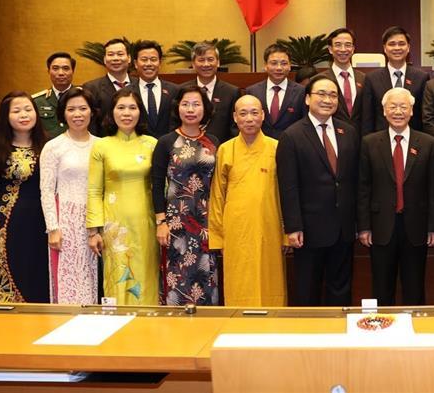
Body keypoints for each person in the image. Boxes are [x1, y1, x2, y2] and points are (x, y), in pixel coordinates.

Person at [278, 77, 359, 306]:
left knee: (341, 288)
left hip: (343, 226)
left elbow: (354, 180)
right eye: (321, 94)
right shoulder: (291, 136)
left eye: (333, 95)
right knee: (307, 289)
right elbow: (288, 185)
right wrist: (293, 226)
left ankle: (339, 335)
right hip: (309, 229)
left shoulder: (349, 132)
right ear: (307, 99)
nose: (327, 100)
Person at [357, 88, 434, 306]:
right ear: (384, 111)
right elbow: (363, 187)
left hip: (416, 226)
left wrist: (433, 227)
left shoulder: (428, 143)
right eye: (392, 107)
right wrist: (364, 226)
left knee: (414, 287)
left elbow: (433, 189)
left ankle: (415, 331)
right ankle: (382, 332)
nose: (398, 111)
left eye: (403, 106)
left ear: (412, 111)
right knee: (381, 287)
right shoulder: (369, 143)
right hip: (381, 226)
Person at [210, 95, 287, 306]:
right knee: (239, 282)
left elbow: (287, 193)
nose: (249, 118)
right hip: (236, 230)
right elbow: (217, 195)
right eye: (243, 113)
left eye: (254, 112)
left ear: (263, 115)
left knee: (271, 281)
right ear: (235, 117)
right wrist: (217, 236)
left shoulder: (277, 147)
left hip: (269, 227)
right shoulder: (226, 149)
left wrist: (286, 233)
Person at [86, 86, 159, 305]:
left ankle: (148, 325)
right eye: (121, 108)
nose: (126, 113)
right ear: (112, 112)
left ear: (140, 112)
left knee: (146, 274)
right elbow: (94, 190)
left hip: (145, 223)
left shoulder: (152, 144)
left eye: (132, 108)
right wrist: (93, 231)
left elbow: (160, 188)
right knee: (117, 276)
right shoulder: (102, 146)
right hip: (114, 225)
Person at [151, 86, 220, 306]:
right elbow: (157, 183)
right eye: (185, 104)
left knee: (206, 273)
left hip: (206, 220)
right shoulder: (166, 142)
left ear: (205, 109)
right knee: (177, 274)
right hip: (176, 222)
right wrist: (161, 221)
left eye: (196, 104)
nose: (190, 109)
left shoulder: (214, 142)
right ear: (177, 108)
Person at [0, 92, 50, 303]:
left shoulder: (50, 145)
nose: (24, 115)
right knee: (16, 270)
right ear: (6, 116)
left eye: (28, 109)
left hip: (45, 222)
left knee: (41, 274)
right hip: (11, 224)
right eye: (16, 111)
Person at [39, 87, 100, 304]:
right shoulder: (53, 147)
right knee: (68, 282)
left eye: (83, 108)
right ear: (63, 113)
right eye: (71, 109)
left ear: (92, 112)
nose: (77, 114)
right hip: (66, 220)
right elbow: (46, 191)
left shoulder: (101, 145)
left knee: (94, 279)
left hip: (95, 221)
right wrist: (53, 229)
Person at [361, 26, 429, 134]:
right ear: (384, 48)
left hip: (414, 140)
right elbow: (367, 118)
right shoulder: (372, 79)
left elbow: (424, 116)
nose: (397, 48)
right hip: (380, 141)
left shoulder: (421, 77)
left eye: (401, 44)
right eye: (392, 44)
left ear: (408, 47)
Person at [186, 41, 243, 144]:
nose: (206, 64)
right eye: (201, 60)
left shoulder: (232, 92)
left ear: (218, 62)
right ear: (193, 64)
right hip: (187, 151)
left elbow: (235, 129)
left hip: (221, 151)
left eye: (210, 59)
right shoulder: (183, 90)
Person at [245, 43, 306, 139]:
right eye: (274, 63)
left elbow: (305, 123)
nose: (279, 68)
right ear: (265, 66)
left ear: (290, 66)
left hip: (291, 147)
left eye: (284, 63)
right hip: (260, 147)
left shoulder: (301, 92)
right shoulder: (252, 91)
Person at [312, 28, 365, 128]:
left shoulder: (364, 79)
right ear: (330, 49)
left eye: (348, 45)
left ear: (353, 49)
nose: (343, 49)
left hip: (361, 137)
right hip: (332, 135)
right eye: (338, 45)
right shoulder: (318, 80)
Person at [83, 38, 133, 132]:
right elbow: (90, 123)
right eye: (111, 55)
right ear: (105, 60)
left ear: (129, 58)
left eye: (120, 54)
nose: (115, 58)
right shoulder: (91, 88)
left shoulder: (139, 85)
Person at [133, 40, 180, 139]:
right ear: (136, 63)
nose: (149, 64)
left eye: (153, 59)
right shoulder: (126, 93)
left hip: (169, 148)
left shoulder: (175, 91)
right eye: (144, 59)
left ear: (160, 63)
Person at [33, 52, 76, 137]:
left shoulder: (83, 97)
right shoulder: (37, 101)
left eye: (66, 68)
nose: (61, 73)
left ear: (73, 71)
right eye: (55, 68)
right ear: (49, 71)